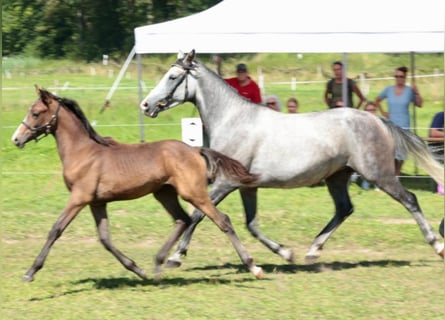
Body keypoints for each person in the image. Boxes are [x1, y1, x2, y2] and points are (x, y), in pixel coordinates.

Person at [375, 66, 423, 176]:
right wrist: (383, 112)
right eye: (396, 76)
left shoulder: (409, 91)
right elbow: (377, 100)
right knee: (391, 152)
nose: (398, 78)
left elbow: (419, 104)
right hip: (391, 125)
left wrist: (416, 92)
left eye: (401, 76)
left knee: (401, 154)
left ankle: (397, 175)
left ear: (405, 77)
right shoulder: (388, 89)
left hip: (404, 125)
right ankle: (391, 174)